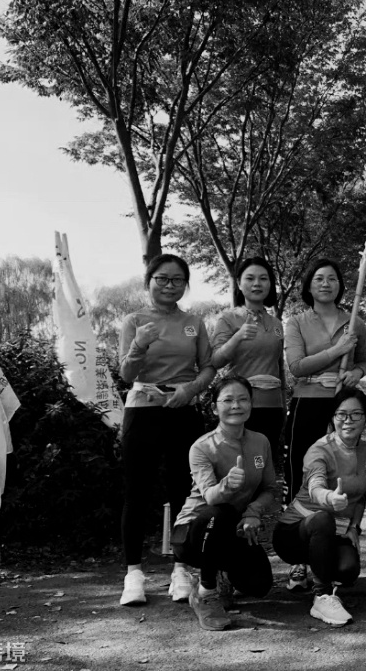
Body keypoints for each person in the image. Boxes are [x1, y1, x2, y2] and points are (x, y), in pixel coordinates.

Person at [117, 253, 215, 607]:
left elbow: (208, 367)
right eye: (162, 278)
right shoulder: (134, 320)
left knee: (183, 493)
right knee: (136, 492)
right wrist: (139, 344)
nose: (169, 285)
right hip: (142, 410)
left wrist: (190, 390)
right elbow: (126, 374)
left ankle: (181, 569)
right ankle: (133, 574)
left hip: (182, 411)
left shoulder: (194, 322)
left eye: (177, 280)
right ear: (149, 282)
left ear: (185, 285)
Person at [282, 258, 366, 591]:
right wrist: (337, 350)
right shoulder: (297, 322)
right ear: (308, 285)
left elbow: (362, 361)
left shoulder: (354, 321)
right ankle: (299, 560)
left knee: (341, 472)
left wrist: (356, 373)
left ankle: (340, 540)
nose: (325, 283)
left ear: (340, 285)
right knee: (300, 477)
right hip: (307, 403)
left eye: (332, 278)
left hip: (341, 406)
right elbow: (296, 366)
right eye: (319, 278)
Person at [171, 375, 279, 631]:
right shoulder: (202, 447)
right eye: (228, 400)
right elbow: (210, 497)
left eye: (243, 399)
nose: (236, 406)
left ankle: (222, 576)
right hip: (194, 533)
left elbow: (270, 489)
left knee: (259, 585)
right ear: (214, 407)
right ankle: (205, 592)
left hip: (233, 529)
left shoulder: (260, 442)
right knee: (221, 512)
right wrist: (227, 485)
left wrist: (253, 512)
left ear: (251, 404)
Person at [274, 388, 366, 627]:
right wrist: (329, 497)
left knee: (348, 571)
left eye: (356, 414)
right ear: (332, 418)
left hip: (335, 532)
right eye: (341, 414)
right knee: (323, 519)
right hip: (294, 532)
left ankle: (321, 568)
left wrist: (354, 527)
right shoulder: (319, 450)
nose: (348, 420)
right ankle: (322, 595)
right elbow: (315, 486)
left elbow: (360, 496)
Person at [212, 257, 285, 461]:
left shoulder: (276, 323)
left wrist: (283, 404)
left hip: (273, 407)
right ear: (239, 283)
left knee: (265, 463)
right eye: (250, 278)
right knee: (239, 465)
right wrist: (237, 337)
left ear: (270, 284)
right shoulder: (228, 319)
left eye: (263, 278)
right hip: (240, 406)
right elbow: (215, 361)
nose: (257, 284)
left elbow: (279, 366)